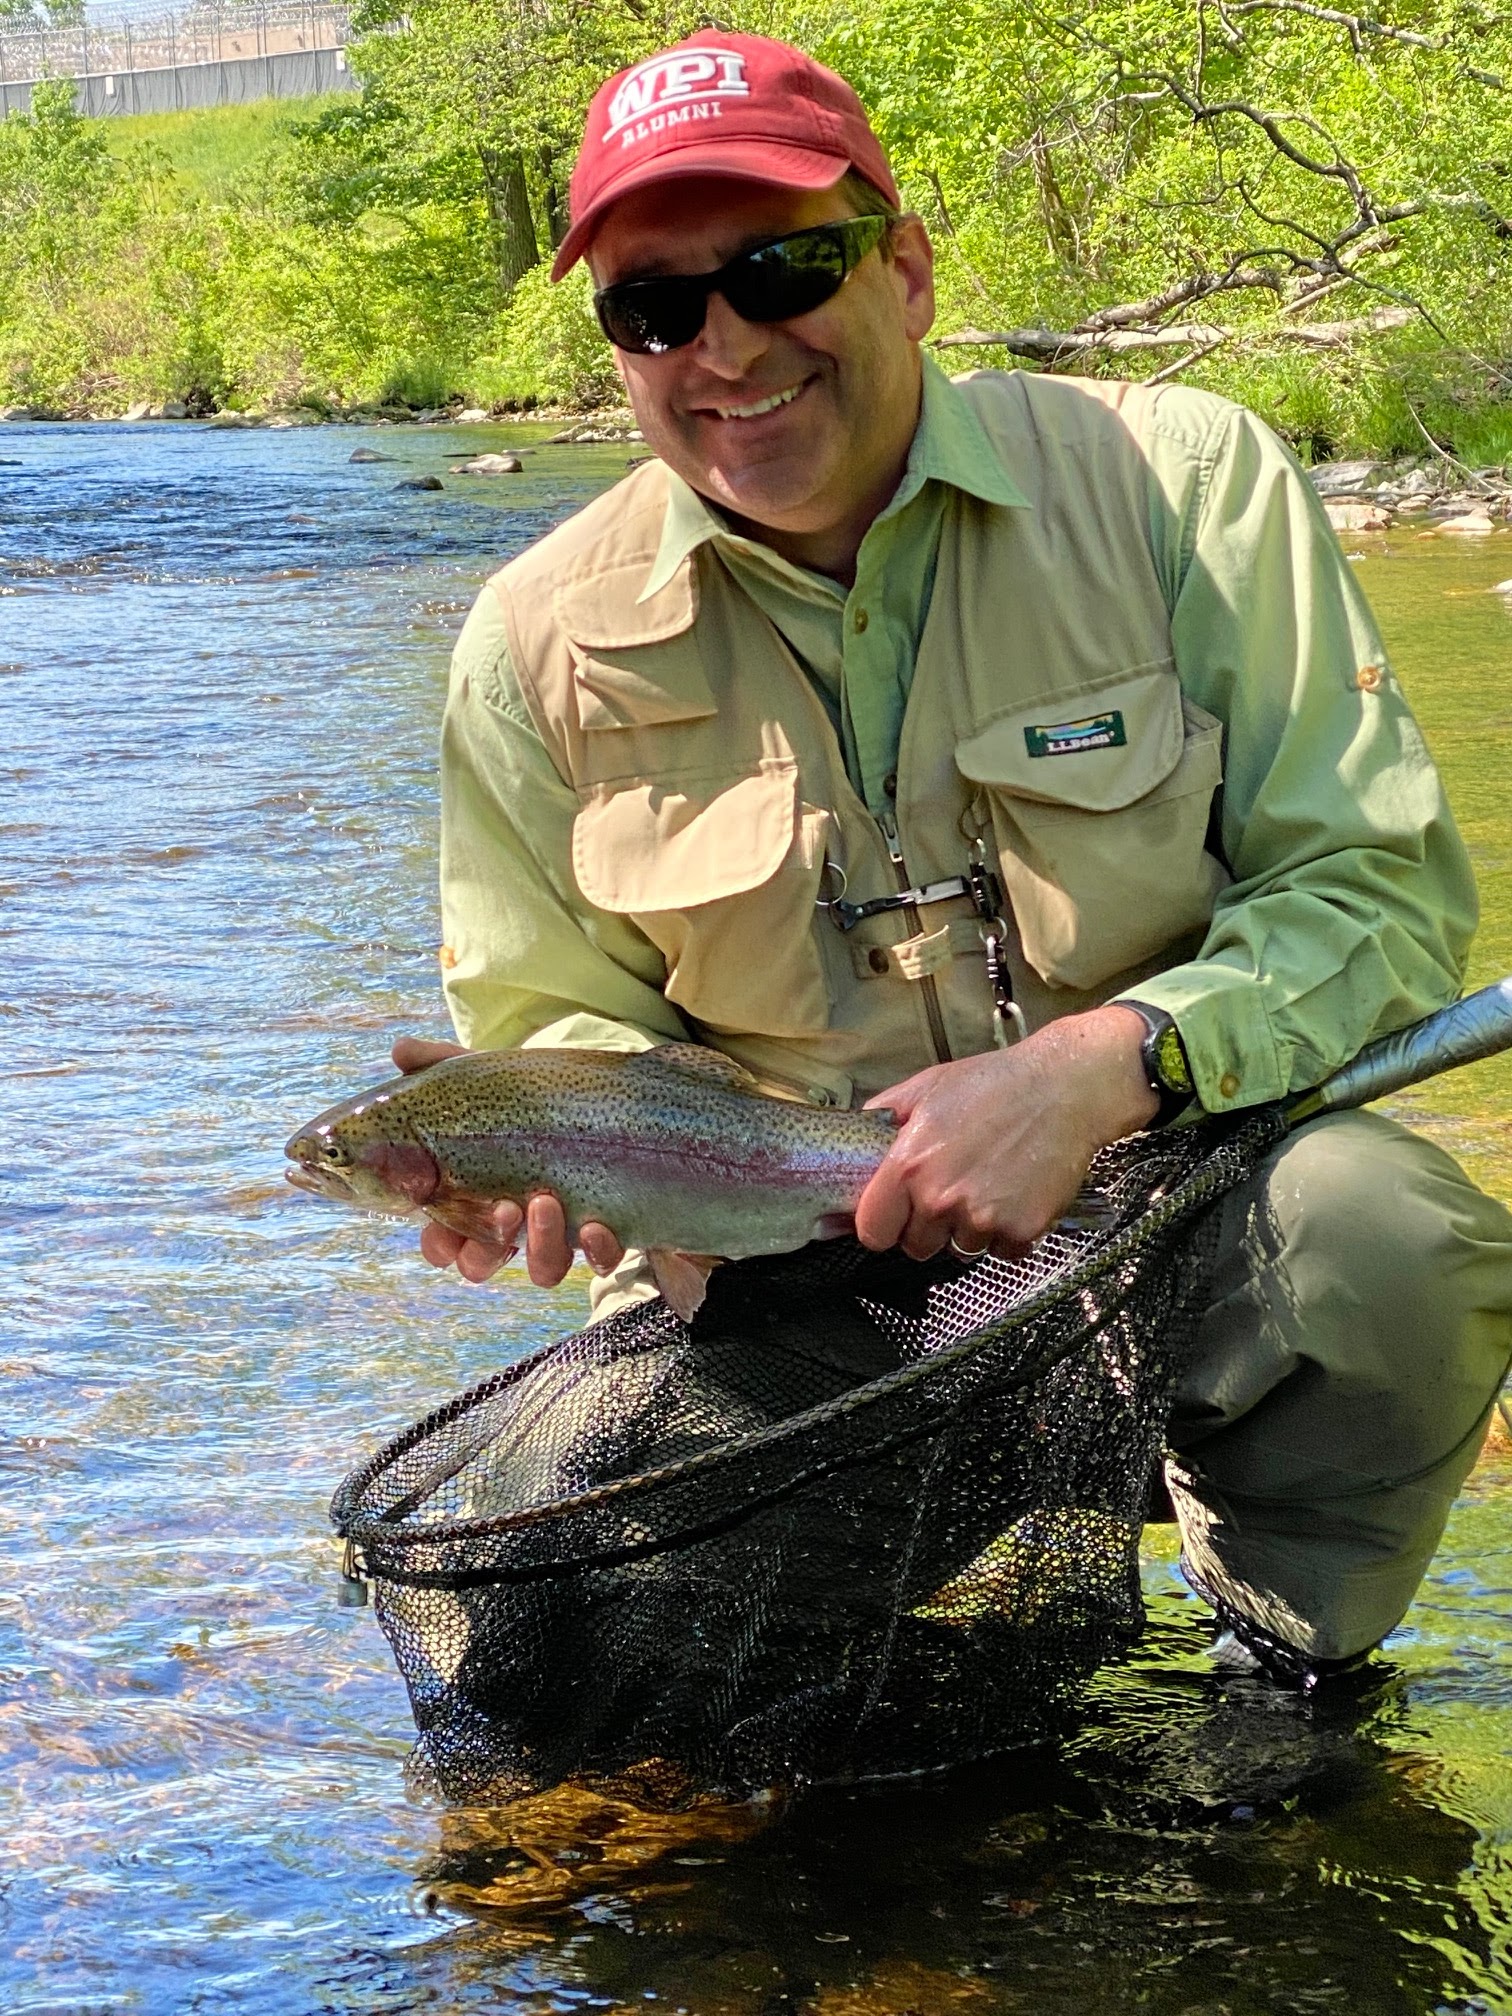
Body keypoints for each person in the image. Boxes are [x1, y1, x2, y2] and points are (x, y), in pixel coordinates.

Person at [395, 32, 1512, 1684]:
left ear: (905, 272)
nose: (725, 345)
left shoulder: (1178, 485)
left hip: (1180, 1205)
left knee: (1386, 1241)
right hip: (784, 1296)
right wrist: (570, 1169)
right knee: (556, 1587)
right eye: (657, 310)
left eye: (781, 270)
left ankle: (1280, 1675)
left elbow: (1381, 892)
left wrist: (1103, 1066)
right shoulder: (529, 645)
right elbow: (552, 1019)